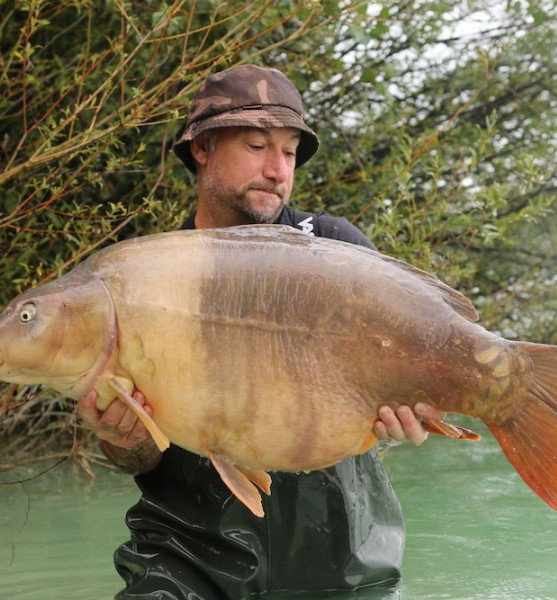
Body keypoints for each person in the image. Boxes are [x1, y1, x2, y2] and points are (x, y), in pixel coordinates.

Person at [77, 64, 445, 599]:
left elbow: (404, 379)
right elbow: (141, 460)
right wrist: (120, 438)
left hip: (343, 555)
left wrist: (411, 415)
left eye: (289, 152)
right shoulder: (146, 278)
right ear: (202, 148)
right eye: (256, 145)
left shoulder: (336, 248)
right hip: (190, 558)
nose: (277, 169)